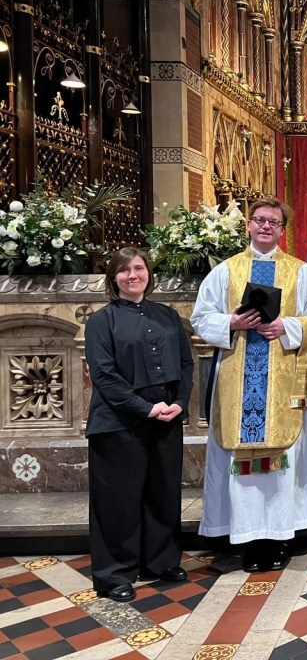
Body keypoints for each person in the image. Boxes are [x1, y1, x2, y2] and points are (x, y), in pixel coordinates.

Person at [192, 197, 307, 573]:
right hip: (237, 380)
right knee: (240, 462)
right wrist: (232, 323)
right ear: (249, 225)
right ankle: (246, 534)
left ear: (283, 229)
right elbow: (200, 317)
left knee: (286, 462)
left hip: (285, 381)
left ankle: (280, 535)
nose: (266, 226)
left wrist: (286, 326)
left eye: (274, 221)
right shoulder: (225, 272)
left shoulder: (301, 272)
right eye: (259, 220)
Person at [85, 248, 194, 602]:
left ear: (148, 273)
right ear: (113, 278)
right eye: (124, 270)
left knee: (163, 494)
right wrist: (145, 408)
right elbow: (104, 374)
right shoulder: (102, 321)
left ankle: (160, 561)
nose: (133, 275)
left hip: (166, 416)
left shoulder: (167, 315)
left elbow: (185, 363)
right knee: (118, 499)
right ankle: (114, 573)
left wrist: (179, 403)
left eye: (139, 268)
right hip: (119, 421)